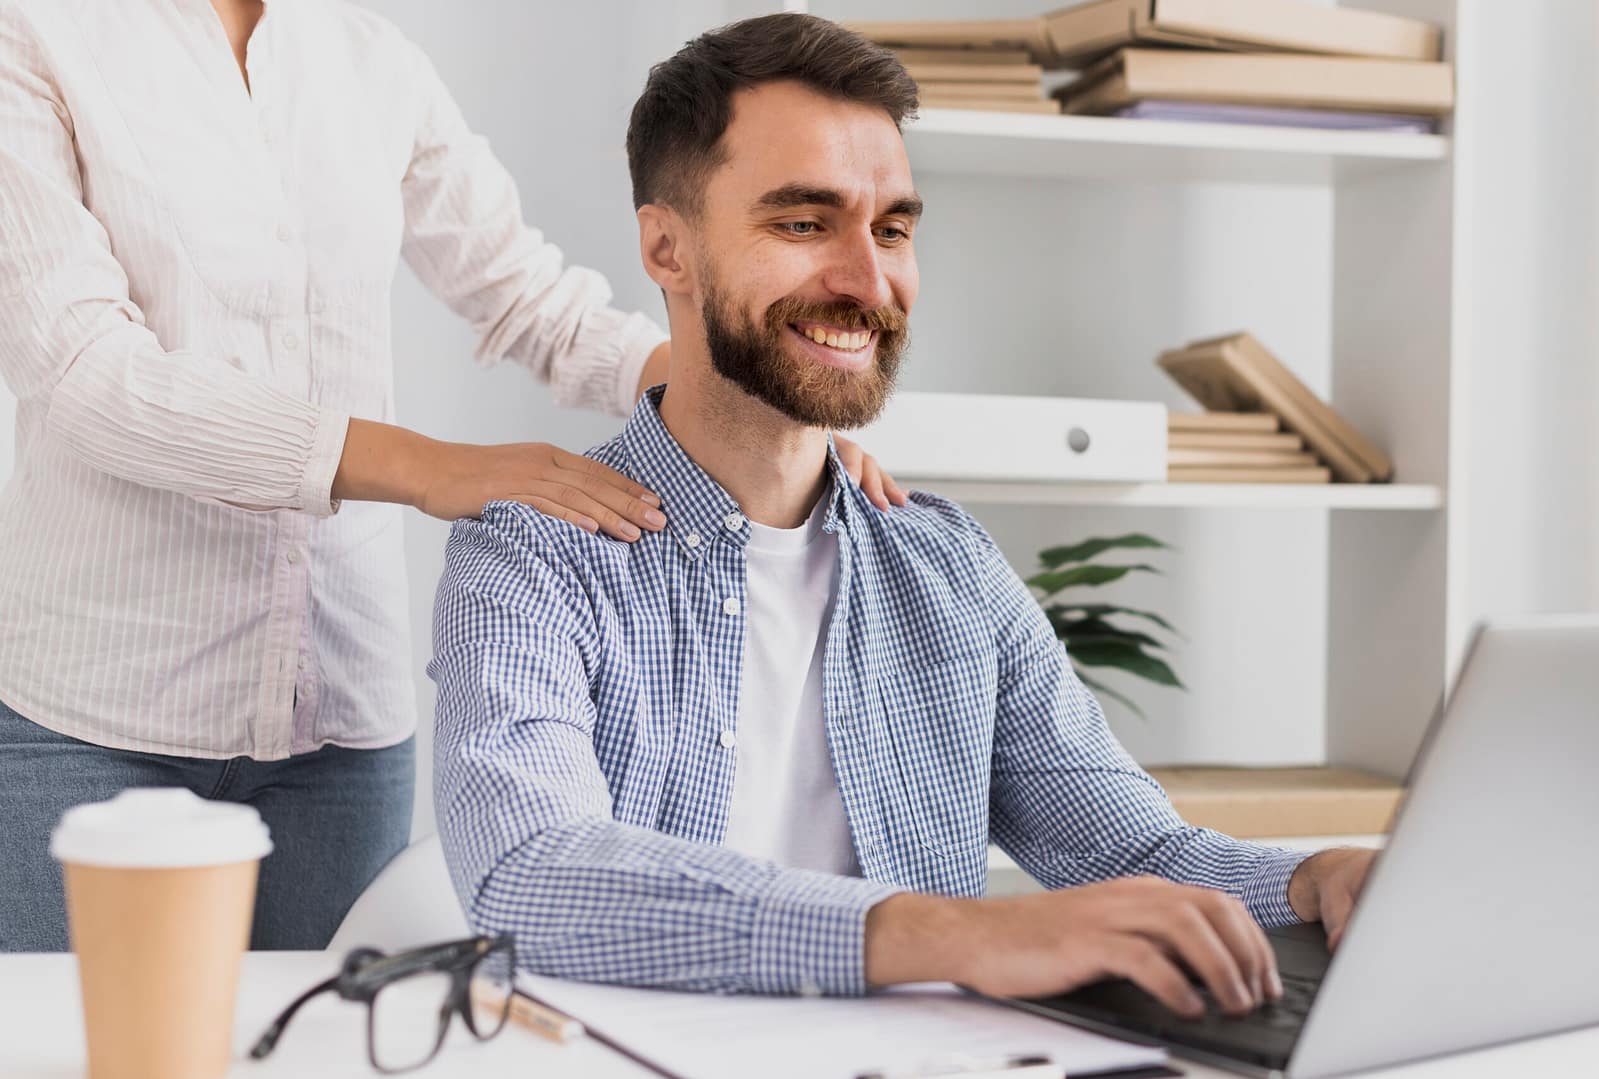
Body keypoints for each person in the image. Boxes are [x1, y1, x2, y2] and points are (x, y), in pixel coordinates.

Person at [429, 13, 1375, 1014]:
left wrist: (1305, 878)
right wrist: (950, 932)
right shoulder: (534, 551)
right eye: (803, 224)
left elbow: (1128, 847)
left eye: (892, 228)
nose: (867, 281)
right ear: (668, 248)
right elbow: (532, 871)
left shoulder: (947, 563)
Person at [0, 0, 899, 953]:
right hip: (89, 718)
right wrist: (431, 469)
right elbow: (83, 373)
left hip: (338, 726)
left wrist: (769, 404)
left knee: (324, 1052)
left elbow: (527, 297)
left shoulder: (368, 59)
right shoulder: (39, 36)